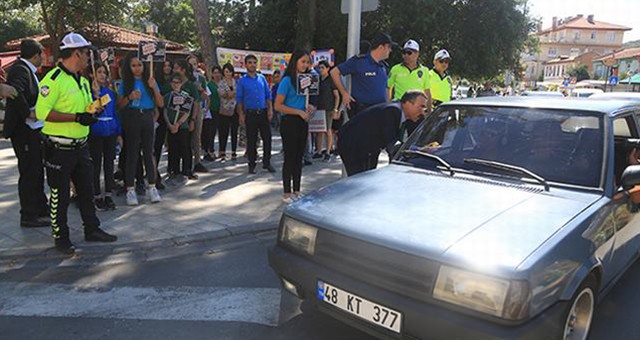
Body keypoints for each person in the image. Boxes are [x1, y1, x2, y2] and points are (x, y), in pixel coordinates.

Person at [35, 32, 117, 254]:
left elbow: (82, 110)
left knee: (86, 191)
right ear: (76, 53)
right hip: (59, 149)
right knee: (59, 196)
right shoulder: (52, 80)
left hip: (81, 146)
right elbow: (42, 113)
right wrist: (76, 118)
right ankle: (61, 237)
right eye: (86, 53)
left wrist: (92, 110)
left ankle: (92, 229)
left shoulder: (81, 80)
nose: (88, 57)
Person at [4, 39, 50, 227]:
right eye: (42, 54)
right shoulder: (20, 70)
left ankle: (41, 207)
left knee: (37, 170)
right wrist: (28, 113)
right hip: (24, 131)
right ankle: (29, 214)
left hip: (34, 130)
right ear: (36, 55)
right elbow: (15, 92)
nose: (44, 58)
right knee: (30, 172)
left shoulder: (27, 71)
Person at [338, 91, 428, 176]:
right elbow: (392, 144)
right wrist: (415, 151)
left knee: (368, 179)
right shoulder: (392, 111)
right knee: (360, 180)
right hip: (353, 144)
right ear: (408, 103)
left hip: (368, 146)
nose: (423, 112)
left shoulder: (405, 116)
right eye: (421, 106)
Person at [117, 52, 164, 206]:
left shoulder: (150, 80)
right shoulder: (125, 83)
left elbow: (161, 103)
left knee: (149, 152)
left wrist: (154, 88)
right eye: (133, 65)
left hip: (147, 117)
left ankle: (152, 186)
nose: (137, 68)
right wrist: (130, 97)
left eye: (139, 65)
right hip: (132, 117)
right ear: (129, 67)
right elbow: (120, 105)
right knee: (132, 153)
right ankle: (130, 188)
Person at [274, 49, 315, 203]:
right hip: (289, 122)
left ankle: (297, 191)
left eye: (307, 62)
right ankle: (286, 192)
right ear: (295, 61)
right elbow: (278, 105)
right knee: (290, 157)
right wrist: (297, 112)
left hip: (302, 121)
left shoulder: (308, 80)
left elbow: (306, 101)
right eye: (302, 61)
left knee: (299, 157)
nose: (305, 65)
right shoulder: (286, 81)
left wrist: (310, 107)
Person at [330, 33, 396, 118]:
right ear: (381, 47)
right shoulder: (359, 62)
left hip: (380, 111)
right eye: (389, 47)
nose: (390, 50)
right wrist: (344, 94)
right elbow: (334, 72)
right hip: (363, 111)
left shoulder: (383, 66)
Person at [88, 63, 121, 211]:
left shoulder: (110, 93)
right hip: (95, 132)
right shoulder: (87, 92)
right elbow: (89, 112)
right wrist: (95, 98)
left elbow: (114, 113)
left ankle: (108, 194)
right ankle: (96, 195)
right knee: (95, 165)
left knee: (109, 163)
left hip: (110, 132)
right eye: (99, 72)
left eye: (104, 72)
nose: (102, 75)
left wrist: (118, 132)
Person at [237, 54, 276, 174]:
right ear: (245, 65)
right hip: (250, 114)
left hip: (263, 113)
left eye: (254, 62)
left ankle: (267, 162)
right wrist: (241, 115)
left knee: (267, 138)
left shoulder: (262, 78)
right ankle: (252, 164)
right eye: (250, 62)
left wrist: (270, 110)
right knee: (252, 140)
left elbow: (268, 96)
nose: (252, 64)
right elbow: (239, 100)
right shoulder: (242, 81)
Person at [387, 39, 433, 135]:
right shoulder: (395, 69)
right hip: (399, 109)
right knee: (396, 139)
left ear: (417, 54)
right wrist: (387, 106)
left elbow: (427, 92)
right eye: (404, 52)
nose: (406, 56)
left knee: (416, 139)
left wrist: (429, 112)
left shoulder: (424, 71)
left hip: (417, 112)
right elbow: (388, 88)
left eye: (409, 53)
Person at [173, 60, 200, 179]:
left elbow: (196, 103)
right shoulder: (173, 83)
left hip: (186, 121)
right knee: (175, 145)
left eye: (177, 68)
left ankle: (187, 169)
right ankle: (174, 169)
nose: (174, 70)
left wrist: (193, 120)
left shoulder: (191, 85)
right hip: (173, 121)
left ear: (183, 70)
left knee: (186, 145)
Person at [164, 73, 193, 181]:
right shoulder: (167, 96)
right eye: (174, 82)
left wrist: (178, 124)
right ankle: (174, 169)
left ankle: (186, 170)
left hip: (182, 126)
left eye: (178, 82)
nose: (176, 85)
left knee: (184, 148)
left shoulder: (185, 96)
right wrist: (170, 125)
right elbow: (165, 111)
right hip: (171, 126)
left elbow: (187, 112)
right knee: (173, 148)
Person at [187, 55, 209, 173]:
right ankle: (186, 161)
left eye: (195, 64)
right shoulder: (184, 78)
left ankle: (197, 161)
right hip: (185, 107)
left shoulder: (201, 78)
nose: (193, 67)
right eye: (190, 65)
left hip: (198, 106)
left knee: (197, 135)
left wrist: (201, 90)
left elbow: (206, 95)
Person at [314, 60, 340, 161]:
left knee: (328, 130)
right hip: (319, 108)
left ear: (328, 69)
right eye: (319, 68)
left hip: (329, 108)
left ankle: (328, 152)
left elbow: (337, 96)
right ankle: (319, 151)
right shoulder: (318, 80)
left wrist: (335, 109)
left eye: (322, 68)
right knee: (319, 131)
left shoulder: (331, 80)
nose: (320, 70)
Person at [217, 63, 239, 161]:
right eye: (226, 71)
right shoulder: (221, 83)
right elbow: (224, 95)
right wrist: (232, 93)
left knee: (234, 131)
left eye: (230, 71)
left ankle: (234, 151)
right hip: (224, 110)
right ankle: (222, 151)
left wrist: (232, 93)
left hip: (235, 109)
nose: (228, 73)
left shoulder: (236, 82)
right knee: (223, 131)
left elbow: (238, 94)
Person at [202, 65, 222, 161]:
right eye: (214, 73)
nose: (216, 74)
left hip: (223, 110)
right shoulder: (209, 85)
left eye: (218, 72)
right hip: (212, 110)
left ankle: (222, 151)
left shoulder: (223, 83)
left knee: (222, 131)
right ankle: (210, 150)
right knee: (212, 131)